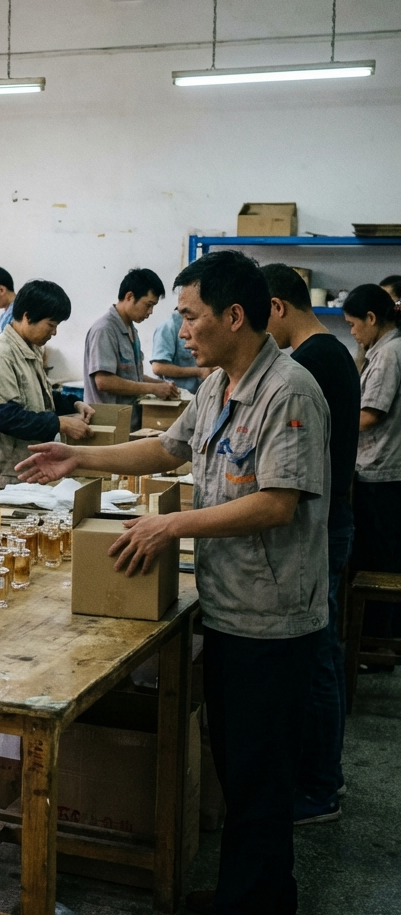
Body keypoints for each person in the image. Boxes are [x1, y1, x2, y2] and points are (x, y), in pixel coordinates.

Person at [17, 251, 330, 915]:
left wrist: (172, 525)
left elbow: (278, 502)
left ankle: (260, 902)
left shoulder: (289, 390)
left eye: (190, 316)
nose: (182, 331)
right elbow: (166, 449)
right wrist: (81, 455)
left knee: (260, 778)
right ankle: (249, 893)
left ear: (233, 315)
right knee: (239, 769)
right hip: (229, 609)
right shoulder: (219, 385)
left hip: (274, 621)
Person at [263, 263, 360, 825]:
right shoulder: (333, 355)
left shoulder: (308, 364)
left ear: (277, 307)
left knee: (319, 655)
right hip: (334, 516)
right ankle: (323, 779)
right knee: (323, 651)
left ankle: (320, 788)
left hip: (323, 524)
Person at [0, 280, 94, 490]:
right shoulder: (0, 356)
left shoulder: (30, 349)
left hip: (28, 471)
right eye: (51, 325)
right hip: (5, 478)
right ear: (28, 317)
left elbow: (41, 394)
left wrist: (74, 404)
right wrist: (60, 424)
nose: (54, 332)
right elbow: (8, 418)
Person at [344, 283, 401, 652]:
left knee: (378, 562)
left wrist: (330, 427)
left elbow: (370, 413)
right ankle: (378, 639)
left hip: (381, 473)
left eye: (353, 324)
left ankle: (376, 643)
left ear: (371, 318)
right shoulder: (384, 349)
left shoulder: (388, 354)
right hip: (380, 468)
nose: (352, 332)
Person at [83, 268, 181, 429]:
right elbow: (104, 381)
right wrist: (153, 388)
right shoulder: (105, 330)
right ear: (129, 296)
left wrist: (162, 385)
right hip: (108, 425)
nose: (150, 312)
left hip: (129, 422)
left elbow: (132, 375)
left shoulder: (130, 329)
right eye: (148, 305)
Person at [151, 309, 210, 393]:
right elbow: (158, 367)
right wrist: (199, 372)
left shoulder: (202, 323)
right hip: (177, 396)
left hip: (200, 394)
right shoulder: (168, 326)